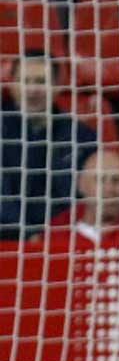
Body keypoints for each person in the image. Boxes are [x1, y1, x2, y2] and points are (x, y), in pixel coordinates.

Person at [1, 50, 97, 239]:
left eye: (40, 81)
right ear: (12, 86)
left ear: (56, 87)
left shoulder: (82, 137)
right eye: (25, 81)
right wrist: (28, 235)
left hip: (62, 242)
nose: (32, 90)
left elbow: (85, 200)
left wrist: (49, 237)